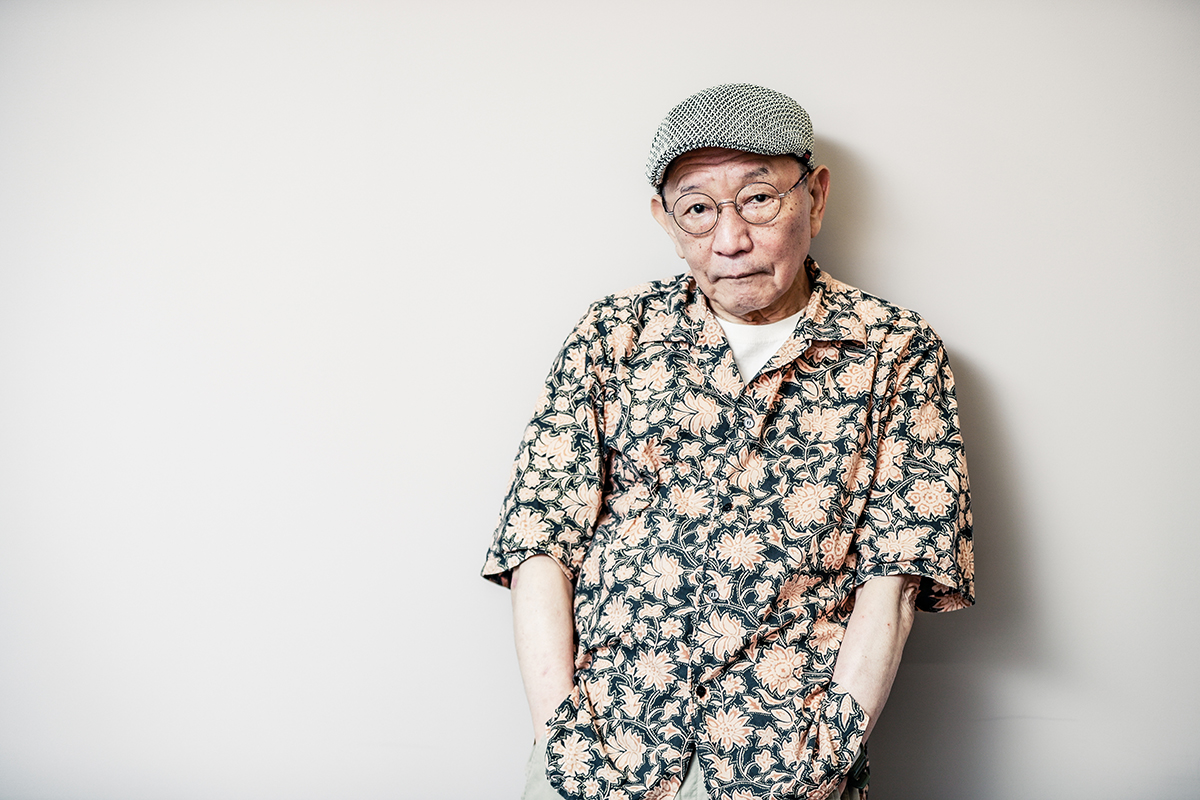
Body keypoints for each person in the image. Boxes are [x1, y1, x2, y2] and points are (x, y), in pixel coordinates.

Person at [481, 83, 974, 800]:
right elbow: (538, 545)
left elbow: (896, 581)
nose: (730, 239)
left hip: (785, 762)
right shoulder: (611, 335)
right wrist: (564, 741)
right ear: (665, 219)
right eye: (698, 209)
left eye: (759, 199)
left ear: (816, 197)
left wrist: (823, 755)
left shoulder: (896, 349)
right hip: (602, 750)